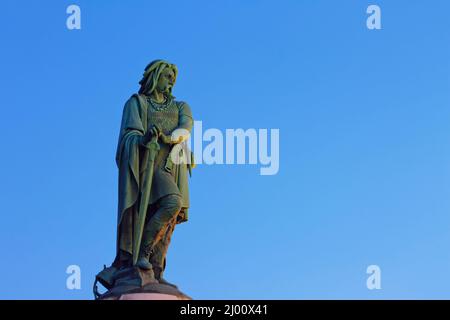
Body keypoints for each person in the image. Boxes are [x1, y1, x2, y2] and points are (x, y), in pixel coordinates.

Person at [112, 60, 194, 286]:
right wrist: (145, 138)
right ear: (154, 76)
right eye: (167, 76)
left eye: (173, 78)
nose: (171, 81)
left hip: (171, 167)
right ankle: (141, 255)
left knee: (168, 220)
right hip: (147, 168)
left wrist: (168, 138)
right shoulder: (137, 103)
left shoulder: (180, 107)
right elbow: (128, 137)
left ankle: (155, 270)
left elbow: (185, 128)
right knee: (171, 202)